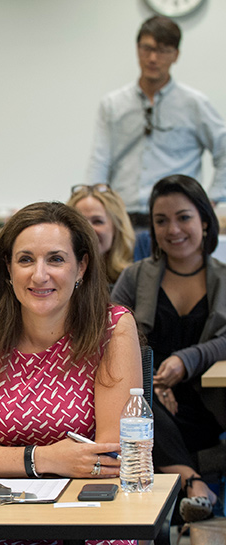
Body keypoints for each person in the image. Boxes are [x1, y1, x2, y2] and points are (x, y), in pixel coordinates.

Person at [0, 202, 142, 545]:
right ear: (8, 270)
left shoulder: (112, 327)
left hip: (85, 513)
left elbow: (109, 459)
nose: (39, 275)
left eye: (55, 259)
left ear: (81, 266)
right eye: (25, 259)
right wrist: (42, 457)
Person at [112, 174, 224, 522]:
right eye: (161, 221)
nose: (173, 229)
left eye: (184, 217)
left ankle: (186, 489)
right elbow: (111, 332)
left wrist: (184, 360)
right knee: (137, 405)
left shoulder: (223, 278)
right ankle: (193, 482)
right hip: (146, 400)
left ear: (205, 222)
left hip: (205, 400)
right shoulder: (135, 277)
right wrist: (155, 379)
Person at [85, 16, 226, 224]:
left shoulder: (194, 104)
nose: (152, 58)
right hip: (123, 218)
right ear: (137, 49)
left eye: (162, 50)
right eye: (146, 48)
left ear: (175, 55)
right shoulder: (113, 104)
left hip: (175, 219)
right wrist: (93, 207)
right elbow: (100, 160)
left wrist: (211, 199)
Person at [67, 184, 135, 286]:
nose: (88, 230)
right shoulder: (55, 278)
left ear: (117, 228)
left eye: (98, 221)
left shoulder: (133, 280)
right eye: (80, 221)